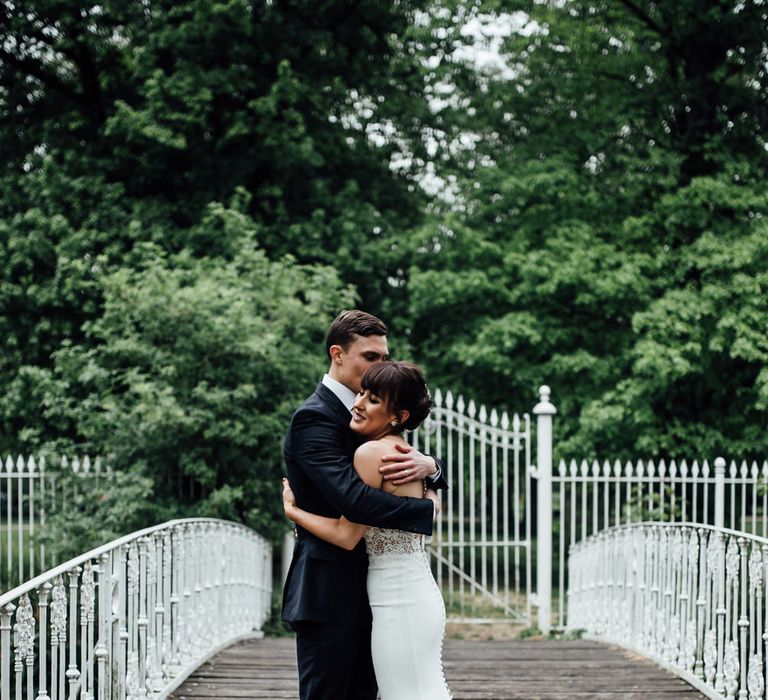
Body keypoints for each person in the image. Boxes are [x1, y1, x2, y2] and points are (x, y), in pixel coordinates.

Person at [281, 310, 447, 700]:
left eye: (384, 357)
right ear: (337, 354)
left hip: (380, 593)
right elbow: (355, 501)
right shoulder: (314, 418)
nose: (380, 365)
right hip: (330, 594)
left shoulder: (377, 415)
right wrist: (427, 510)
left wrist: (434, 467)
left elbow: (400, 467)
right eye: (370, 357)